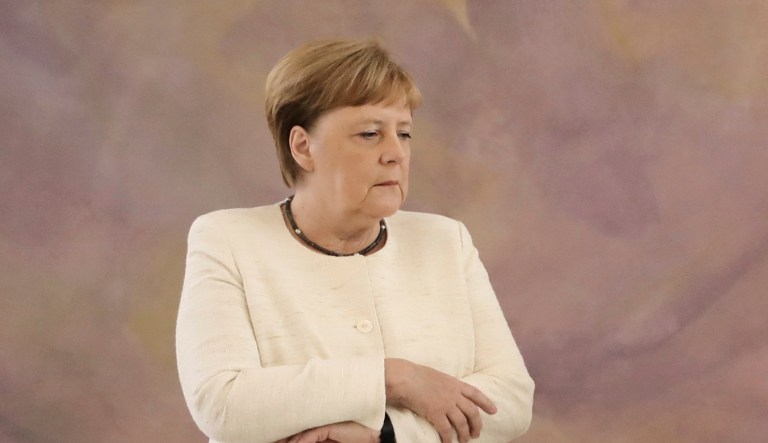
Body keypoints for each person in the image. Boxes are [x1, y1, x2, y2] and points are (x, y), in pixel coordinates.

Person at [176, 38, 534, 443]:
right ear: (302, 147)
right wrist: (396, 378)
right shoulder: (227, 239)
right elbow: (222, 403)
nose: (396, 153)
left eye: (404, 133)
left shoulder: (446, 241)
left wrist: (388, 434)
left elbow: (511, 400)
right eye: (369, 133)